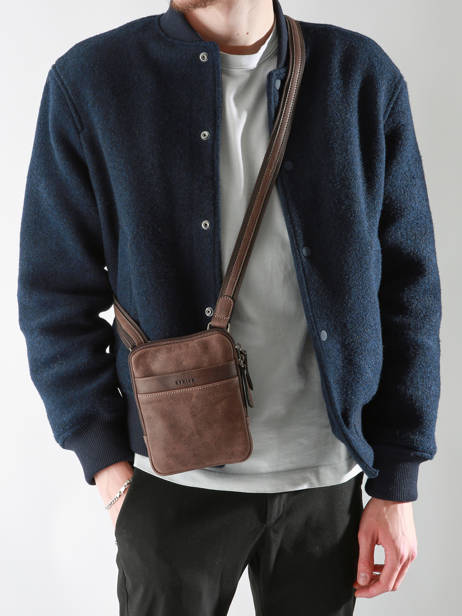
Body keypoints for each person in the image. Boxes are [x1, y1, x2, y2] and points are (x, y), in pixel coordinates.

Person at [17, 0, 441, 614]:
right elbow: (53, 296)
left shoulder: (359, 77)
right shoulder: (92, 82)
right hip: (169, 485)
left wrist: (398, 481)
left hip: (328, 484)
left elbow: (409, 290)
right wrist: (109, 470)